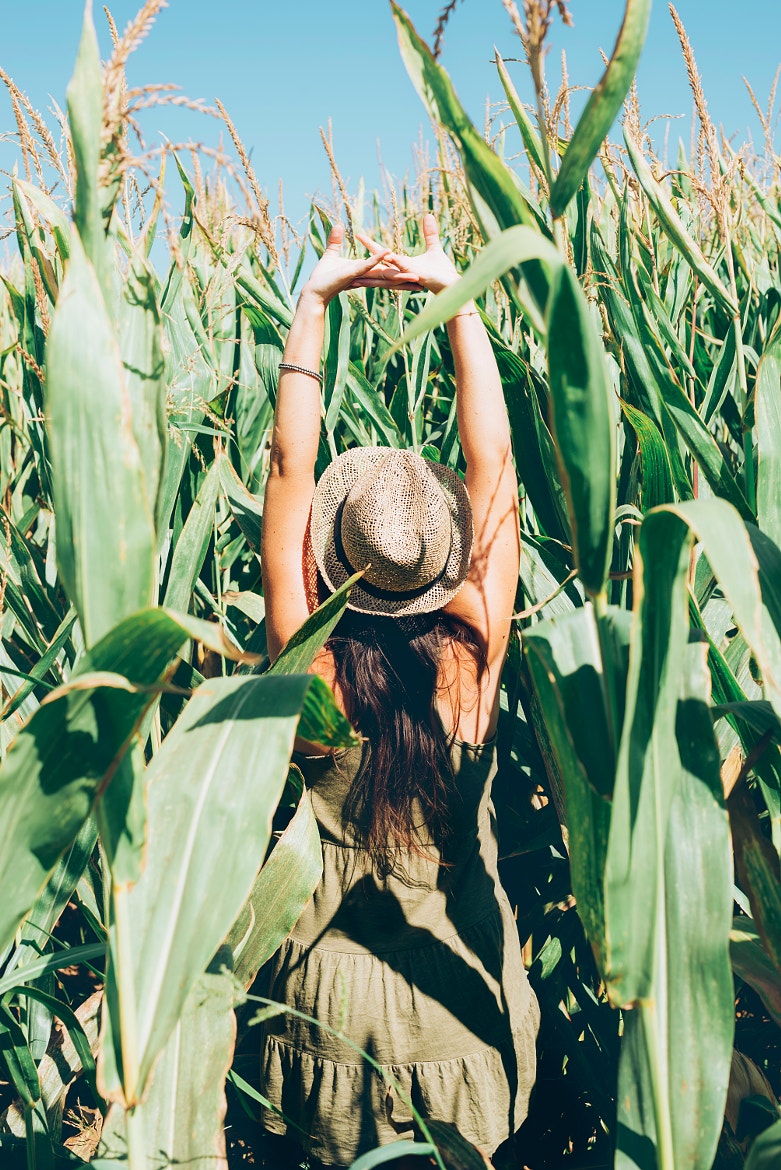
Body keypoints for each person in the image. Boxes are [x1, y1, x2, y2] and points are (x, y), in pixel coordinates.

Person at [259, 215, 539, 1169]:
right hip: (458, 1005)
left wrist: (314, 299)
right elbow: (492, 464)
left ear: (339, 557)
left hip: (324, 1015)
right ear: (438, 555)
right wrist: (452, 291)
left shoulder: (310, 662)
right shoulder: (473, 661)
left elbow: (289, 465)